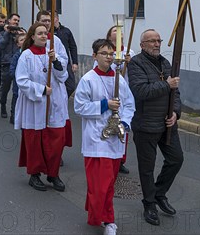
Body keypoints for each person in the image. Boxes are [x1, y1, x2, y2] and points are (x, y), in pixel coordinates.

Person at [75, 39, 135, 235]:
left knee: (108, 183)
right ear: (94, 56)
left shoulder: (120, 79)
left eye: (111, 53)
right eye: (104, 53)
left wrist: (124, 123)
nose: (108, 57)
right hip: (95, 140)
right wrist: (104, 105)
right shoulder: (88, 79)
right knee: (100, 184)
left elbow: (129, 105)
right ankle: (109, 220)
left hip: (115, 139)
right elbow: (80, 107)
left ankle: (98, 210)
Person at [127, 29, 183, 226]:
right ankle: (149, 204)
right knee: (147, 168)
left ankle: (159, 193)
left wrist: (175, 113)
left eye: (159, 40)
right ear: (142, 45)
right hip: (145, 124)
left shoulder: (166, 63)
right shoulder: (135, 64)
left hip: (167, 124)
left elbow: (176, 94)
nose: (157, 44)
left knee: (176, 159)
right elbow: (141, 91)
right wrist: (166, 85)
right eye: (152, 41)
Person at [15, 22, 68, 192]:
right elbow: (21, 80)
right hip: (35, 104)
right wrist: (41, 90)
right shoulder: (26, 55)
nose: (44, 36)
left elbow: (63, 77)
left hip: (54, 103)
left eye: (46, 33)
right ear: (32, 37)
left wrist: (57, 63)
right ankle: (35, 174)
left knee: (55, 140)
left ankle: (53, 174)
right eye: (40, 33)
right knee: (35, 140)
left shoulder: (51, 54)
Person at [37, 10, 72, 160]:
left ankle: (56, 154)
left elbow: (64, 61)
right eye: (43, 20)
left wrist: (55, 59)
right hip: (38, 89)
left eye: (48, 20)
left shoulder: (56, 41)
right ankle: (41, 153)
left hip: (55, 87)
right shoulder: (32, 41)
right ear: (37, 21)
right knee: (40, 123)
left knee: (56, 124)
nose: (46, 23)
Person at [106, 24, 136, 175]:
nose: (118, 33)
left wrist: (130, 63)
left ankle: (121, 160)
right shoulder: (106, 51)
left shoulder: (129, 51)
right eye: (114, 30)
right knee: (110, 124)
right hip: (110, 91)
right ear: (109, 35)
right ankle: (109, 157)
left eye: (120, 31)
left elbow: (137, 71)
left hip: (125, 92)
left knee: (124, 124)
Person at [0, 13, 26, 120]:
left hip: (20, 65)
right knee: (4, 89)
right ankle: (3, 105)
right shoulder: (2, 33)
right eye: (14, 20)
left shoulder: (20, 33)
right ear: (9, 21)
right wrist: (7, 33)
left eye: (18, 20)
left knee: (16, 90)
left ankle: (14, 113)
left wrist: (24, 36)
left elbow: (28, 46)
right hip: (7, 64)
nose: (16, 22)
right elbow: (0, 45)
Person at [54, 14, 79, 97]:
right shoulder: (47, 33)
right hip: (54, 61)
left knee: (71, 86)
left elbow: (73, 47)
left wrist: (75, 62)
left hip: (66, 62)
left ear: (57, 18)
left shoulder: (66, 31)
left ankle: (63, 98)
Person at [9, 31, 27, 124]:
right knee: (16, 99)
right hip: (18, 84)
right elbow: (12, 69)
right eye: (21, 40)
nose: (24, 41)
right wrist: (17, 77)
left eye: (25, 39)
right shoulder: (17, 56)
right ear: (18, 44)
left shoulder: (30, 54)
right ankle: (13, 115)